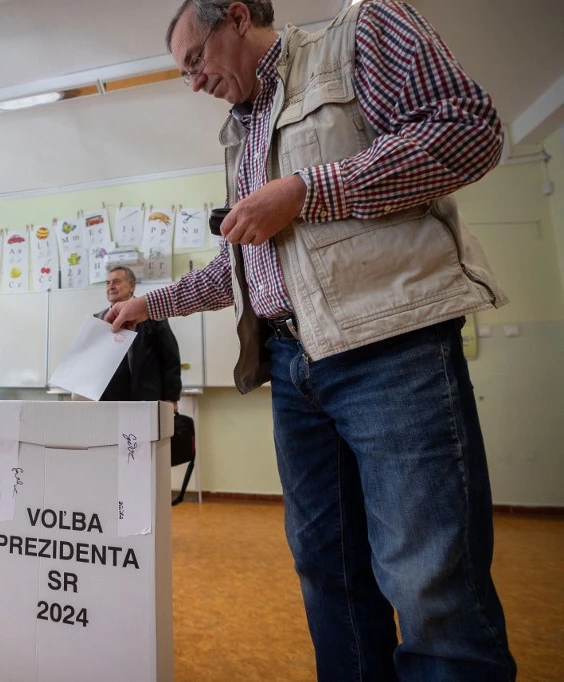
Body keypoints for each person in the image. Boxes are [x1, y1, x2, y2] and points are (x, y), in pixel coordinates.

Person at [107, 1, 516, 679]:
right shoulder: (240, 133)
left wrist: (307, 189)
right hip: (292, 365)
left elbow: (466, 131)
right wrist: (147, 304)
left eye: (195, 61)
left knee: (429, 582)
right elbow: (240, 270)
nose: (194, 84)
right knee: (329, 571)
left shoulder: (362, 32)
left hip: (391, 347)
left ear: (236, 16)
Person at [96, 266, 181, 405]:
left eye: (116, 282)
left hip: (148, 398)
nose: (110, 287)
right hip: (110, 401)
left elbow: (170, 357)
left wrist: (172, 397)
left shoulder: (151, 314)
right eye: (107, 283)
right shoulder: (99, 320)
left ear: (132, 286)